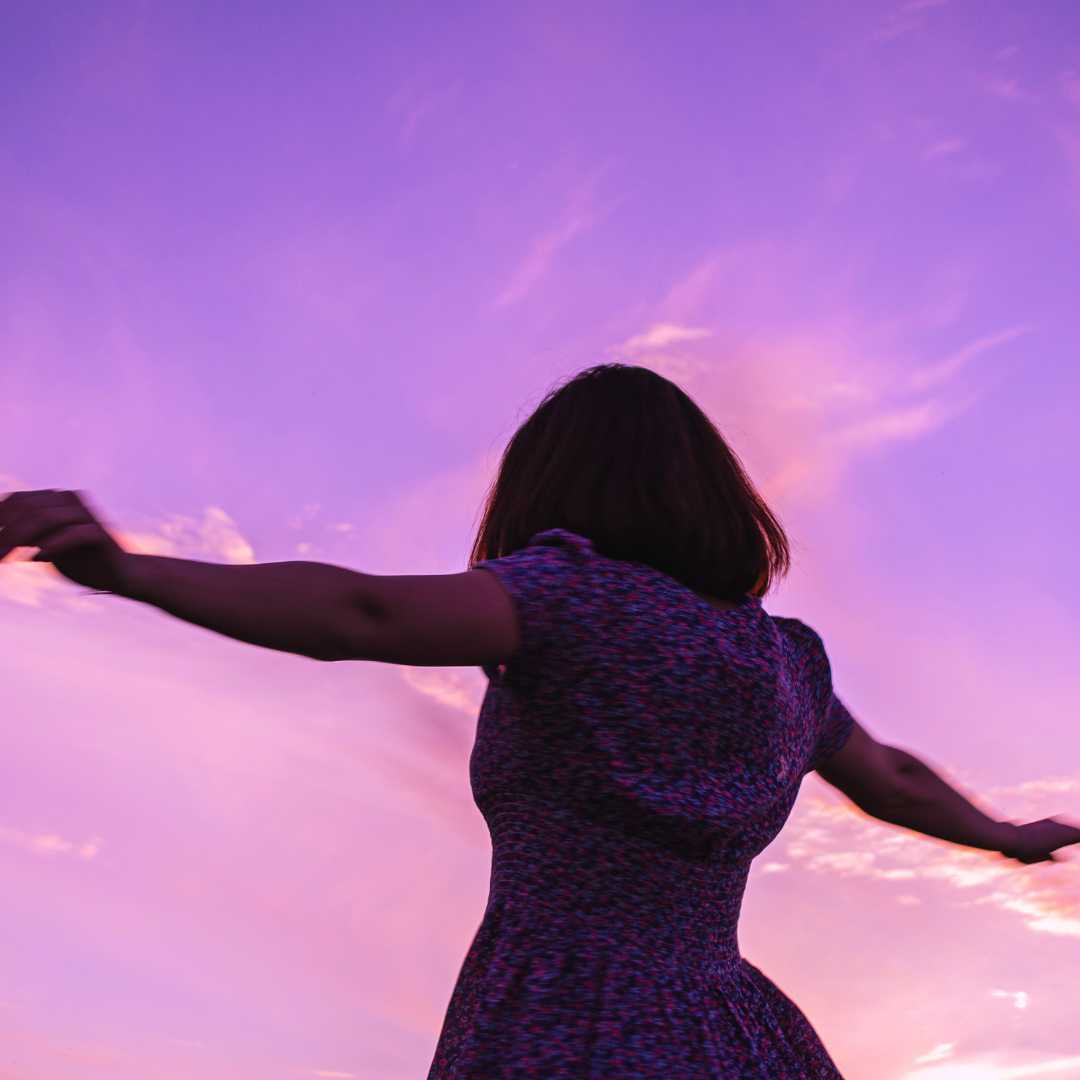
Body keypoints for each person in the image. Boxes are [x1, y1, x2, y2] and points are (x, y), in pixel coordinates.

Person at [2, 363, 1077, 1079]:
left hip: (558, 1023)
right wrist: (1007, 837)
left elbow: (360, 610)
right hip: (733, 1034)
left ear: (551, 486)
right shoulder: (785, 660)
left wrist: (128, 572)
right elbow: (890, 779)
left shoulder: (566, 597)